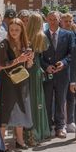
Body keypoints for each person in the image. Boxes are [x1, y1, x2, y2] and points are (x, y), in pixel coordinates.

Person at [0, 18, 34, 149]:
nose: (14, 32)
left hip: (22, 81)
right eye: (11, 29)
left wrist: (29, 61)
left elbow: (27, 66)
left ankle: (20, 140)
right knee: (6, 110)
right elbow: (1, 66)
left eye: (17, 29)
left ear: (22, 29)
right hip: (8, 83)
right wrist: (18, 60)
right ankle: (0, 143)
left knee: (21, 109)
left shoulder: (26, 44)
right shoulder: (4, 44)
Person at [41, 11, 73, 138]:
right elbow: (39, 56)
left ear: (59, 20)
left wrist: (63, 63)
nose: (53, 21)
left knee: (60, 101)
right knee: (47, 101)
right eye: (50, 19)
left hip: (62, 74)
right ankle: (48, 126)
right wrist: (46, 66)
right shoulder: (42, 36)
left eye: (55, 19)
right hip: (48, 74)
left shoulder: (68, 35)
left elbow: (71, 54)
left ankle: (60, 127)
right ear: (47, 20)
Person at [25, 12, 51, 142]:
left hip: (25, 70)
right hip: (35, 70)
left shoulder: (24, 36)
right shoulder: (42, 37)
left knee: (27, 101)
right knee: (37, 100)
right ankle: (38, 130)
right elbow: (44, 54)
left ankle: (27, 133)